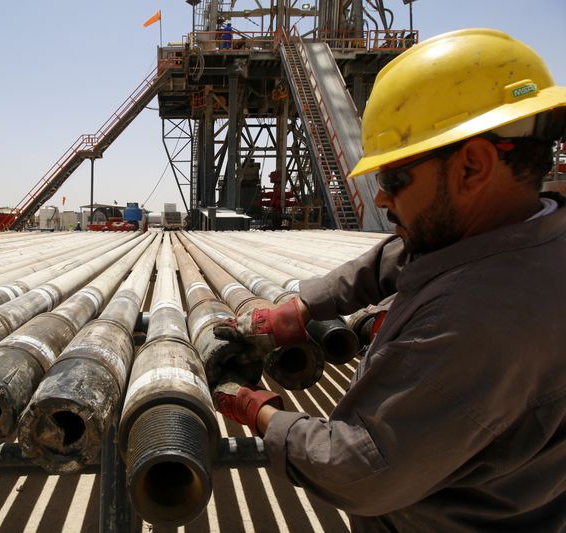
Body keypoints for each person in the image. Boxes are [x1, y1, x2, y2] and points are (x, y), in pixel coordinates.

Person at [213, 28, 566, 530]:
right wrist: (305, 306)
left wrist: (261, 412)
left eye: (394, 179)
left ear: (472, 166)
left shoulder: (479, 318)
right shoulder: (528, 229)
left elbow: (360, 469)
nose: (380, 200)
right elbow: (400, 256)